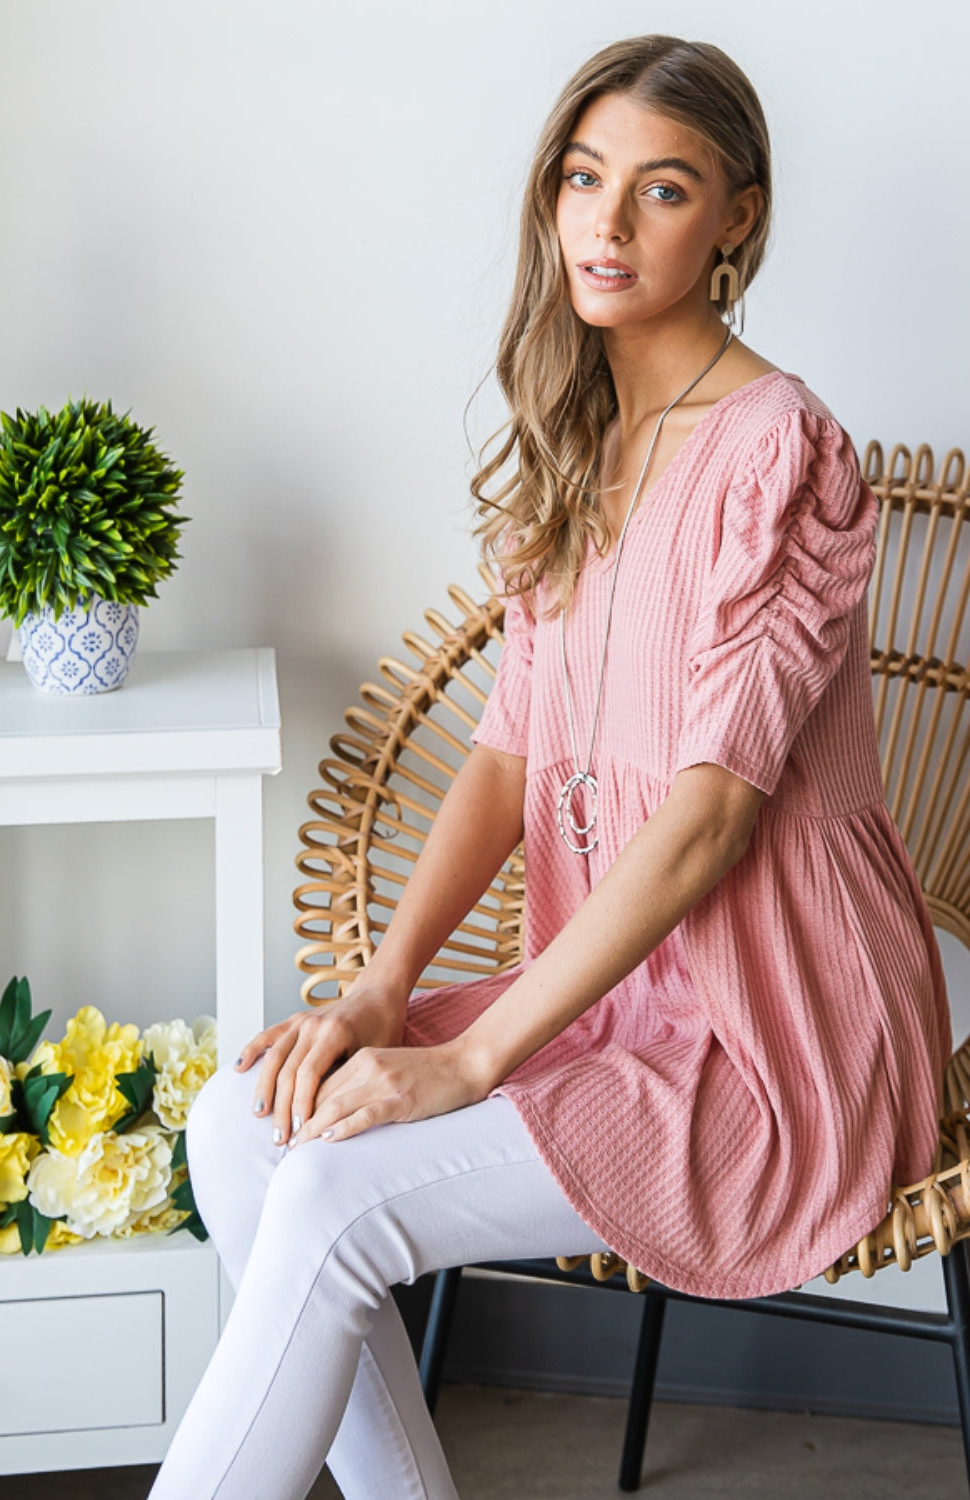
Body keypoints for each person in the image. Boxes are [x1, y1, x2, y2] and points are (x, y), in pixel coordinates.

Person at [149, 34, 951, 1500]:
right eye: (585, 179)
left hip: (772, 1031)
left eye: (662, 190)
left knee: (330, 1198)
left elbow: (710, 825)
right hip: (608, 995)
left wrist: (465, 1058)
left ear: (737, 222)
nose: (607, 222)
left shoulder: (785, 454)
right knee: (240, 1124)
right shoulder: (579, 435)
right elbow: (508, 761)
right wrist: (387, 993)